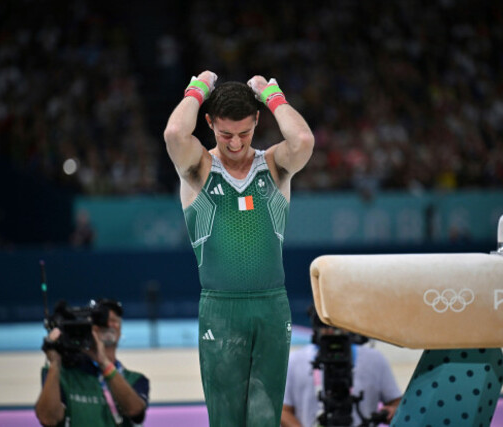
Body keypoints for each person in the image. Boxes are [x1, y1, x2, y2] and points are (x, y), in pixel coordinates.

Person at [163, 70, 314, 426]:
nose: (234, 143)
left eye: (244, 133)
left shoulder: (275, 166)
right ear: (210, 123)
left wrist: (271, 93)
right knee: (227, 421)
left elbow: (304, 139)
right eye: (225, 133)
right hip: (220, 310)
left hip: (272, 308)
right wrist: (199, 87)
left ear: (258, 120)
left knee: (265, 420)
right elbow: (173, 133)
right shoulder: (198, 168)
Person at [35, 299, 149, 427]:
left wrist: (103, 363)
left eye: (115, 321)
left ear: (121, 330)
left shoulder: (135, 379)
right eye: (103, 322)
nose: (109, 325)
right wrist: (55, 364)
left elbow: (135, 412)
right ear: (88, 328)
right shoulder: (63, 376)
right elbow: (48, 419)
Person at [281, 324, 402, 427]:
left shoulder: (374, 359)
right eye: (326, 324)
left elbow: (396, 402)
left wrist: (393, 412)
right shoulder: (296, 360)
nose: (333, 330)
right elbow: (283, 410)